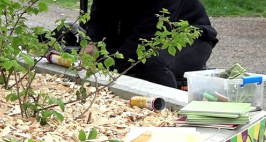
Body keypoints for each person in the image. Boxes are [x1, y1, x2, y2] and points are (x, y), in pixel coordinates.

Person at [84, 0, 218, 88]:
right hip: (142, 33)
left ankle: (170, 111)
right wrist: (94, 43)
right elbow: (100, 16)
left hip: (190, 36)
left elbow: (148, 34)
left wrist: (112, 63)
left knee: (151, 64)